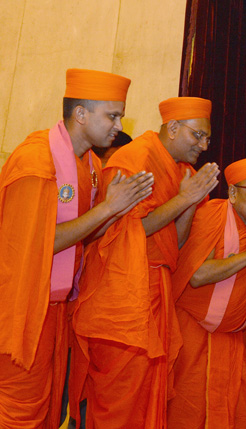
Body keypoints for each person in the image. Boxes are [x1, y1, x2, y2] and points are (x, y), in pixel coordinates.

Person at [0, 68, 154, 427]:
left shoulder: (92, 167)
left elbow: (84, 238)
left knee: (51, 409)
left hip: (58, 312)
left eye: (120, 115)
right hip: (22, 309)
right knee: (19, 411)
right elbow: (38, 243)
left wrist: (117, 212)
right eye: (112, 115)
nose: (118, 125)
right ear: (81, 114)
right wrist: (108, 208)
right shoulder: (36, 162)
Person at [71, 97, 219, 428]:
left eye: (208, 138)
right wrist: (185, 197)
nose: (204, 145)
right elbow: (126, 229)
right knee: (118, 399)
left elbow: (176, 243)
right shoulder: (134, 159)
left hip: (156, 292)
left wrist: (190, 203)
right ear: (174, 127)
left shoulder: (184, 172)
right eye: (198, 136)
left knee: (146, 399)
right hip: (122, 296)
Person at [168, 157, 246, 429]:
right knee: (187, 413)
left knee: (239, 415)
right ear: (233, 193)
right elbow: (197, 275)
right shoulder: (212, 213)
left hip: (233, 341)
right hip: (193, 334)